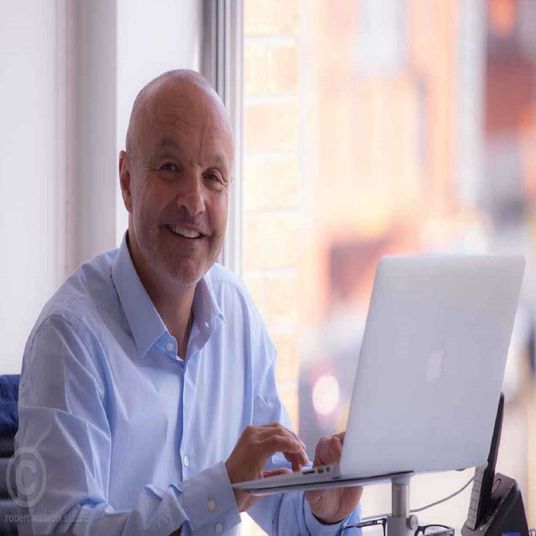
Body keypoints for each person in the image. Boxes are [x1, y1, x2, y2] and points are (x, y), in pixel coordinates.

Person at [15, 70, 362, 535]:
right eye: (170, 168)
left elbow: (278, 500)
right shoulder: (69, 338)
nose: (194, 202)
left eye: (213, 177)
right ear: (127, 181)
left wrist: (324, 511)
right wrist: (219, 490)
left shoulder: (236, 314)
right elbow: (63, 528)